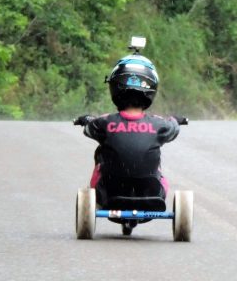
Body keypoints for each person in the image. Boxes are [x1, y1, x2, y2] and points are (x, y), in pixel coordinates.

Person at [73, 49, 183, 211]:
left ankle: (94, 195)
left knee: (101, 152)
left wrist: (86, 120)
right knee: (157, 162)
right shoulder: (159, 125)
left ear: (115, 87)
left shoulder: (104, 122)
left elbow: (89, 128)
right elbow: (173, 128)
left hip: (110, 190)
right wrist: (176, 120)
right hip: (151, 191)